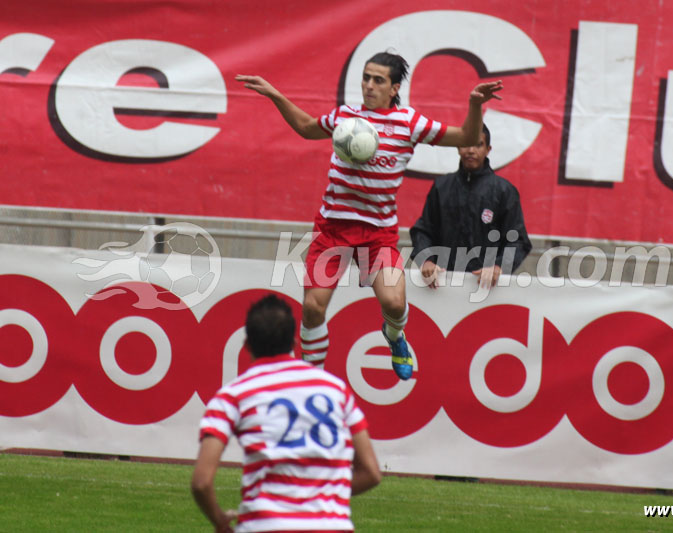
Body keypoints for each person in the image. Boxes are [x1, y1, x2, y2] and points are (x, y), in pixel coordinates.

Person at [235, 52, 503, 381]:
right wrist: (276, 95)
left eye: (378, 80)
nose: (368, 85)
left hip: (377, 235)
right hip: (333, 230)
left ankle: (394, 337)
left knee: (393, 302)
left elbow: (465, 137)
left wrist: (475, 104)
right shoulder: (346, 117)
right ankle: (312, 381)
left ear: (394, 88)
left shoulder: (409, 123)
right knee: (312, 308)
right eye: (366, 77)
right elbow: (306, 128)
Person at [191, 294, 381, 533]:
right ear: (294, 341)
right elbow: (372, 472)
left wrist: (219, 520)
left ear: (247, 344)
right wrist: (322, 492)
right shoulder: (336, 390)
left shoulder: (232, 395)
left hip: (263, 526)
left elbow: (201, 482)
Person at [410, 124, 532, 290]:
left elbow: (517, 240)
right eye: (466, 143)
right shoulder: (442, 187)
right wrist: (426, 260)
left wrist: (498, 267)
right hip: (442, 287)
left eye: (478, 144)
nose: (471, 150)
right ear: (458, 147)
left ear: (488, 149)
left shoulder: (504, 191)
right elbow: (424, 230)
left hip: (487, 289)